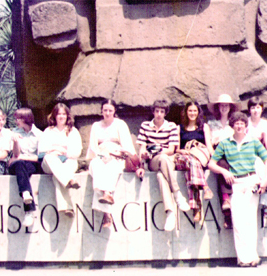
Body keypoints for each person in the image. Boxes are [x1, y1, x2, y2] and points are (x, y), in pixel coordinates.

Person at [208, 112, 267, 267]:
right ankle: (243, 258)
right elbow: (211, 163)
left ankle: (253, 256)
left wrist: (265, 180)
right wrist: (224, 171)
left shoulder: (254, 142)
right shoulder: (225, 143)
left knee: (251, 221)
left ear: (245, 125)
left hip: (251, 181)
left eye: (242, 123)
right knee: (238, 222)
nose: (239, 125)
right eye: (236, 123)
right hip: (236, 183)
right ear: (232, 125)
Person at [138, 99, 190, 232]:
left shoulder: (171, 126)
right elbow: (142, 147)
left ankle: (170, 213)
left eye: (162, 111)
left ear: (165, 113)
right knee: (161, 158)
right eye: (157, 111)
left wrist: (158, 149)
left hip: (167, 158)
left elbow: (171, 149)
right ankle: (178, 194)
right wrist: (142, 160)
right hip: (153, 160)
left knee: (161, 176)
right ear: (153, 112)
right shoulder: (145, 126)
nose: (159, 114)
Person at [87, 99, 139, 228]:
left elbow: (127, 146)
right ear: (101, 111)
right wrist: (101, 155)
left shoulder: (120, 124)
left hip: (117, 156)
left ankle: (106, 213)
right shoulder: (96, 126)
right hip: (100, 155)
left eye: (110, 110)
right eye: (105, 110)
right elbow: (93, 147)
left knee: (111, 167)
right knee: (96, 166)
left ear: (114, 111)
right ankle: (108, 195)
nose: (107, 113)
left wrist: (113, 154)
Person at [39, 103, 82, 217]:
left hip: (67, 161)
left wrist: (64, 153)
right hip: (49, 163)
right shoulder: (48, 131)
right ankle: (69, 180)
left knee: (58, 174)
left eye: (64, 114)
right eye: (58, 114)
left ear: (67, 116)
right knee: (50, 158)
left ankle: (67, 208)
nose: (61, 116)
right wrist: (55, 149)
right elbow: (42, 151)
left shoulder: (73, 131)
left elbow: (76, 152)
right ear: (54, 116)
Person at [177, 101, 215, 222]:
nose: (192, 113)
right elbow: (176, 148)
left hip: (199, 156)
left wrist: (215, 158)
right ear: (186, 112)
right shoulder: (180, 128)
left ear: (198, 112)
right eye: (190, 110)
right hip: (184, 156)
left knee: (193, 164)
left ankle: (196, 208)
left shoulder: (204, 127)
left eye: (194, 111)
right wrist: (182, 151)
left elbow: (208, 146)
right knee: (191, 161)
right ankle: (205, 187)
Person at [207, 94, 241, 229]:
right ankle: (226, 200)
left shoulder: (234, 124)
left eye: (226, 105)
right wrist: (213, 154)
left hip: (232, 152)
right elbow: (209, 142)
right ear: (218, 107)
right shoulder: (210, 124)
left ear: (230, 107)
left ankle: (227, 208)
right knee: (221, 164)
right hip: (217, 153)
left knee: (225, 166)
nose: (224, 108)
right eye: (221, 105)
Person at [8, 108, 43, 227]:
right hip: (18, 165)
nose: (17, 121)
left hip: (31, 164)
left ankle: (29, 211)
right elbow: (16, 155)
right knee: (19, 164)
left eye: (19, 118)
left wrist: (23, 157)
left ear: (26, 119)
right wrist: (16, 142)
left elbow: (39, 158)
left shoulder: (39, 134)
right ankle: (26, 193)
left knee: (21, 164)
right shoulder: (15, 132)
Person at [246, 96, 267, 219]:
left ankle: (266, 202)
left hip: (263, 153)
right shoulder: (246, 123)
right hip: (249, 154)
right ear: (249, 110)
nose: (255, 110)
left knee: (264, 166)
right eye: (253, 107)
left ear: (262, 109)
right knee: (260, 165)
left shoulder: (266, 124)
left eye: (258, 107)